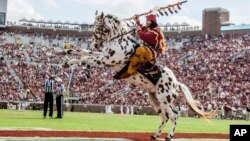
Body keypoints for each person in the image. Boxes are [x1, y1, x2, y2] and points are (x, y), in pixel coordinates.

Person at [117, 14, 167, 79]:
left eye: (148, 21)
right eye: (146, 21)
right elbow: (142, 28)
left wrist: (138, 30)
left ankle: (130, 71)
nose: (146, 22)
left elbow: (144, 36)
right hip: (147, 49)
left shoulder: (156, 31)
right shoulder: (150, 29)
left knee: (140, 50)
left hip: (152, 52)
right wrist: (137, 21)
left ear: (152, 22)